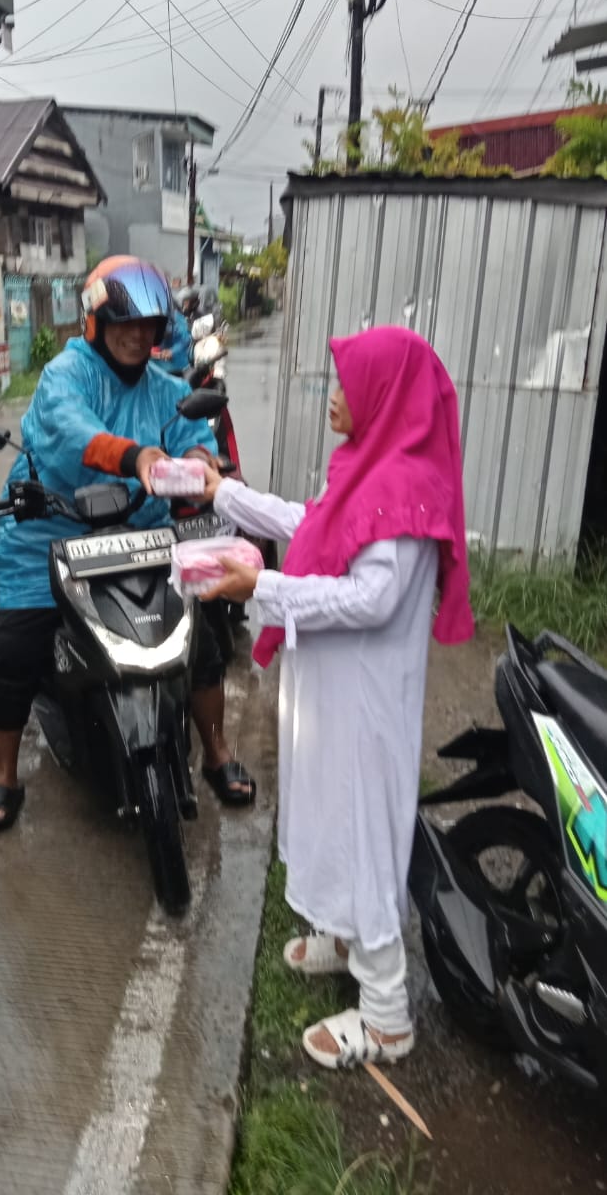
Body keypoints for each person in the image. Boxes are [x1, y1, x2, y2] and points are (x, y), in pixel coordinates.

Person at [198, 326, 474, 1069]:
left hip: (364, 703)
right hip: (335, 692)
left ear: (386, 395)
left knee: (362, 835)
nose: (333, 396)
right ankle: (346, 940)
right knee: (330, 814)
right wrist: (223, 493)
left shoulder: (404, 489)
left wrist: (262, 585)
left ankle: (386, 1016)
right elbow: (312, 524)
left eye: (348, 384)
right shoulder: (368, 468)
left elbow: (372, 600)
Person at [0, 255, 256, 831]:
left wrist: (199, 460)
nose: (136, 336)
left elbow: (193, 435)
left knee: (201, 648)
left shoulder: (165, 387)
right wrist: (136, 457)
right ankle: (4, 774)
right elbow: (70, 431)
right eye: (124, 324)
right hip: (49, 536)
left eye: (147, 325)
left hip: (139, 535)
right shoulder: (65, 375)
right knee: (13, 656)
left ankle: (216, 752)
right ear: (96, 323)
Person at [152, 305, 193, 371]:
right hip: (170, 365)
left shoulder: (175, 316)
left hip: (188, 357)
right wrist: (156, 355)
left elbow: (187, 336)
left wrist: (172, 351)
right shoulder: (151, 330)